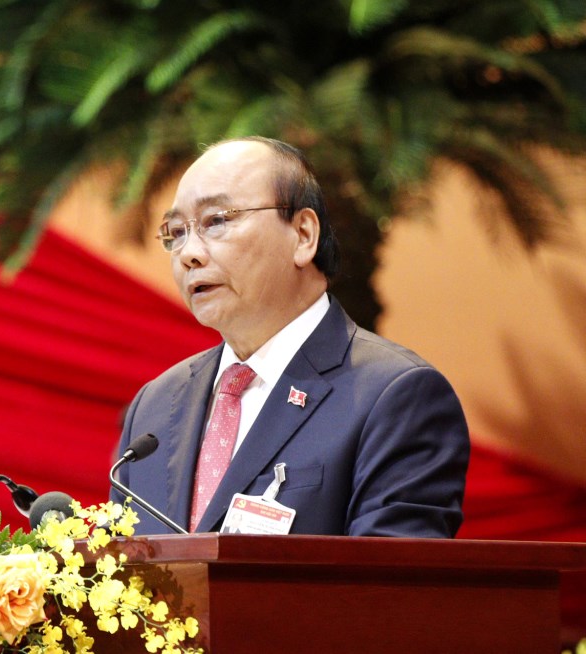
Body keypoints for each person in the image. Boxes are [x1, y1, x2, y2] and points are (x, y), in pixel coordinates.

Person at [114, 136, 470, 537]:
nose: (188, 253)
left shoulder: (394, 397)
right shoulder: (155, 407)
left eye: (216, 221)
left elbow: (390, 574)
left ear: (303, 235)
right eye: (177, 231)